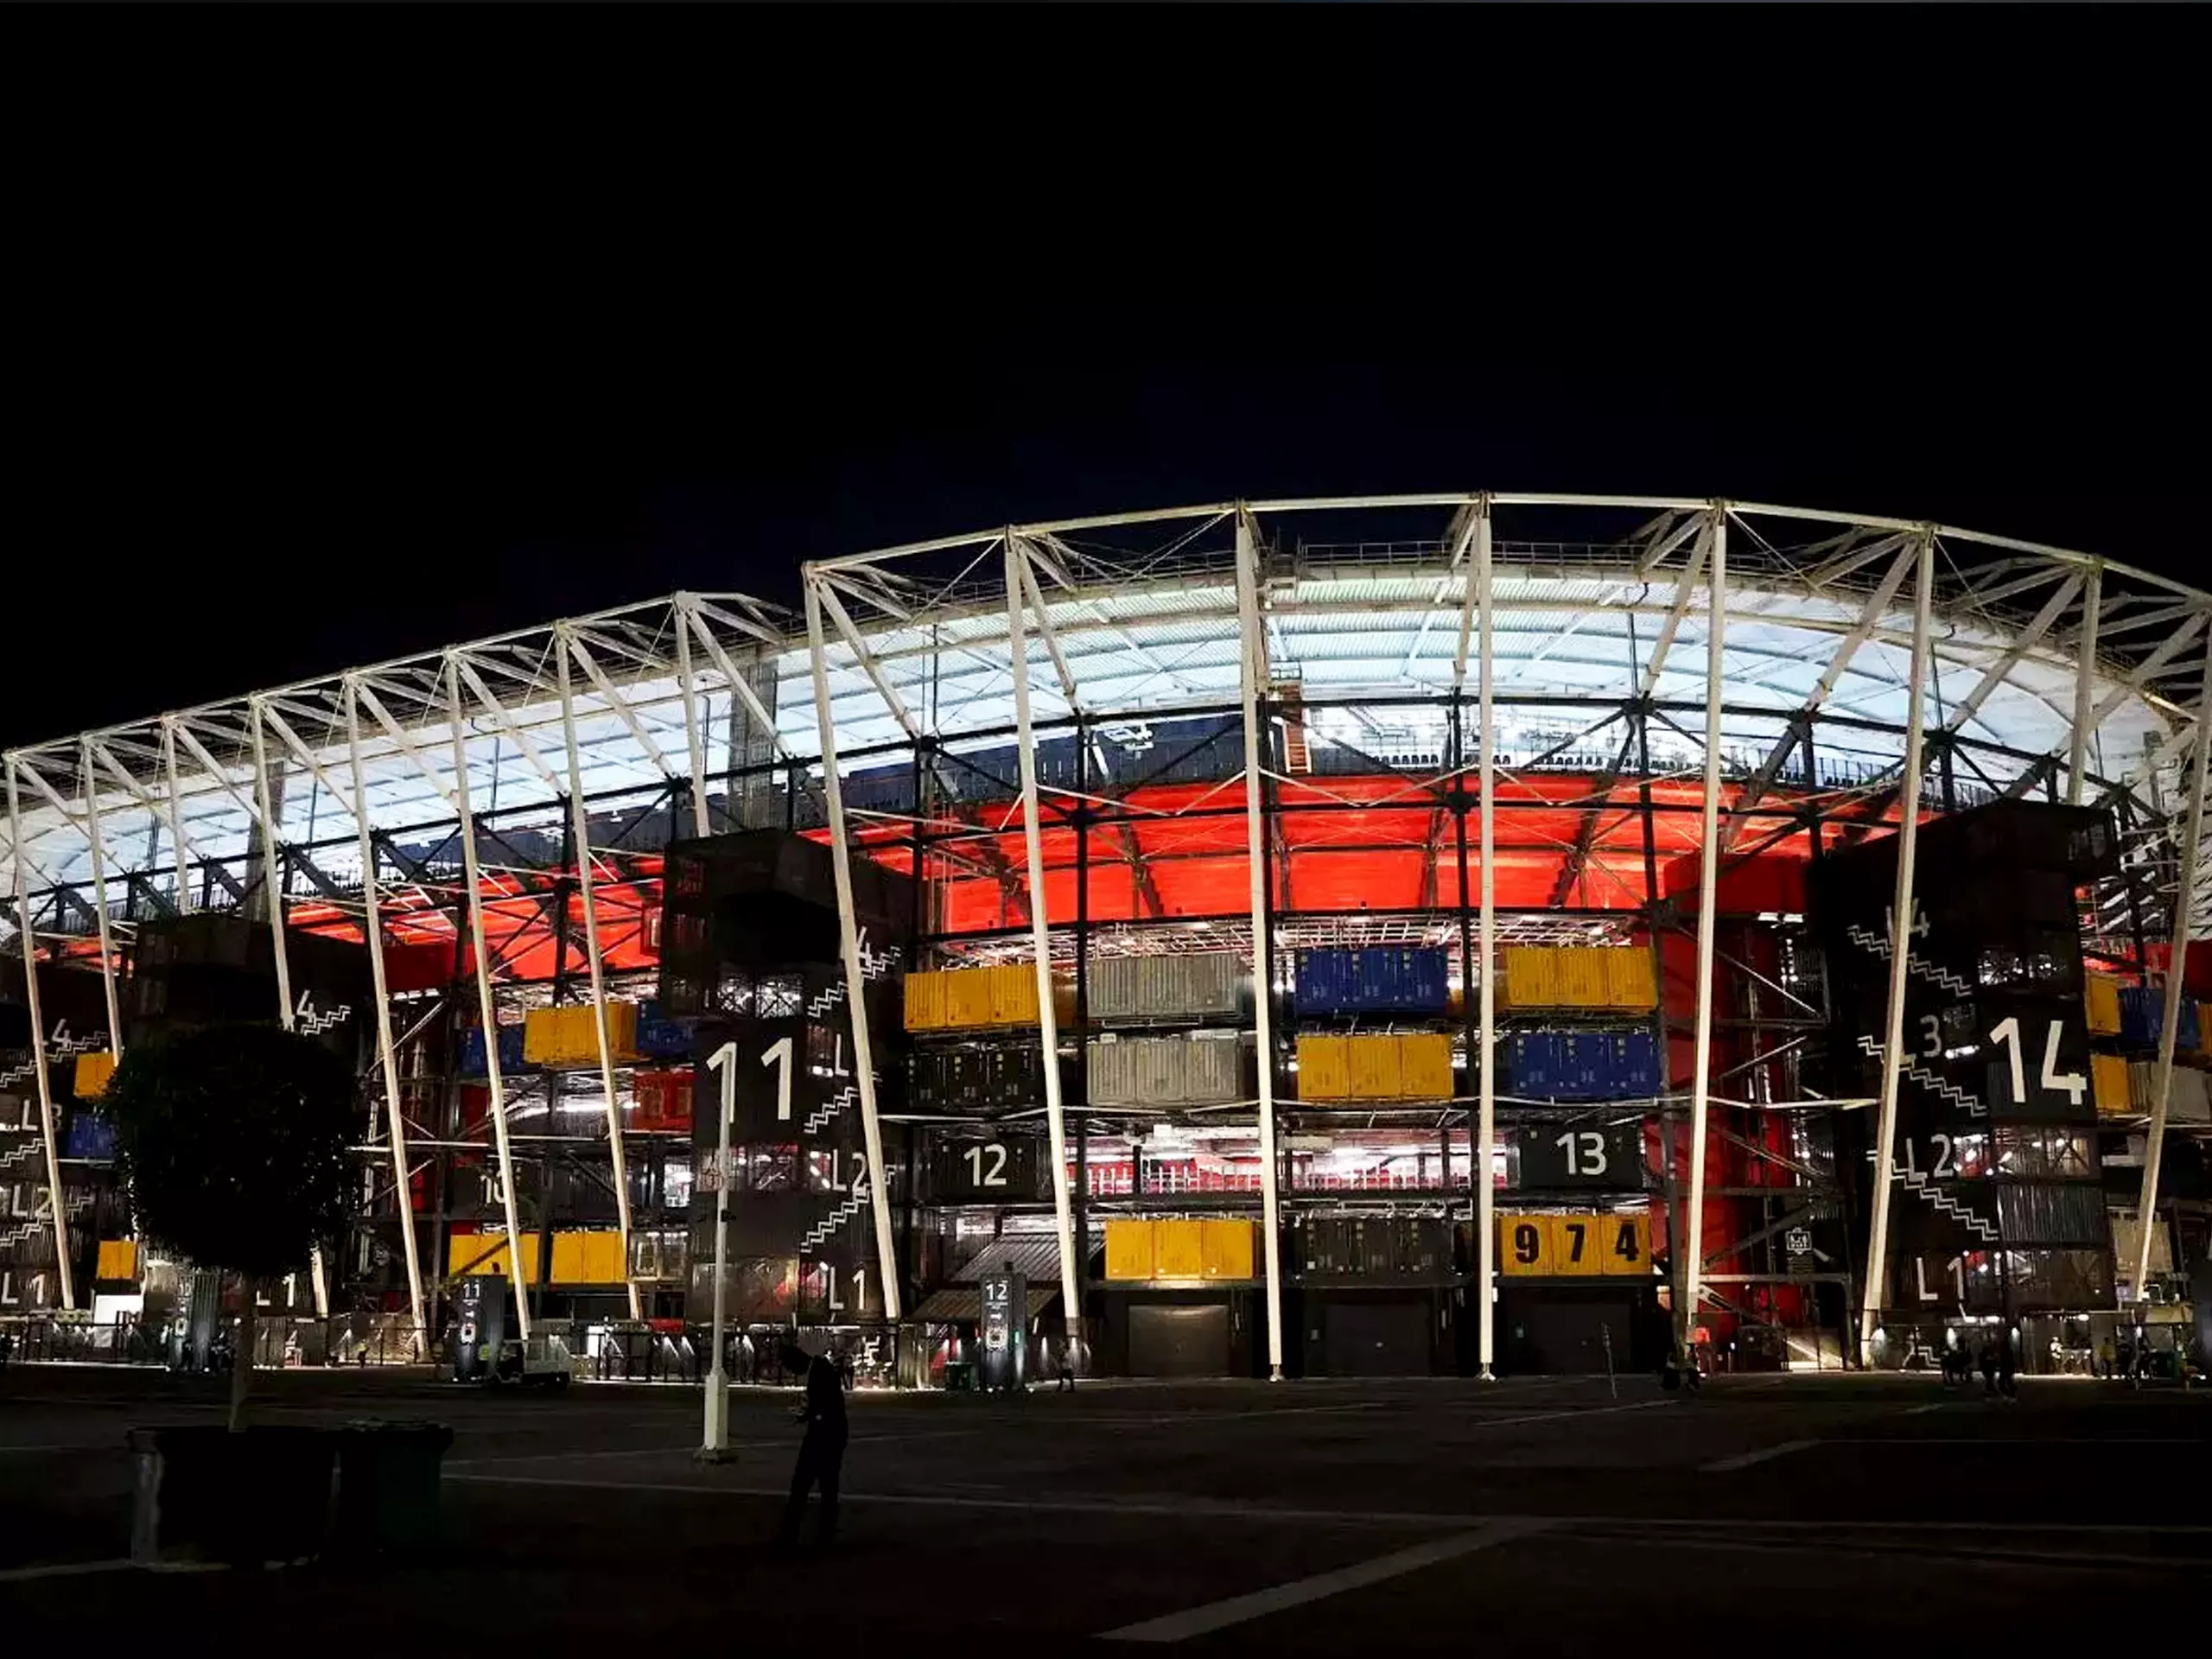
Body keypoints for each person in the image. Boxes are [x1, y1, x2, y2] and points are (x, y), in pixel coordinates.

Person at [777, 1340, 848, 1548]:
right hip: (829, 1436)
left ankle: (792, 1534)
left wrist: (808, 1414)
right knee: (828, 1485)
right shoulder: (820, 1368)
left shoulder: (820, 1372)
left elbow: (824, 1406)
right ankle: (824, 1531)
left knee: (803, 1485)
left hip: (824, 1437)